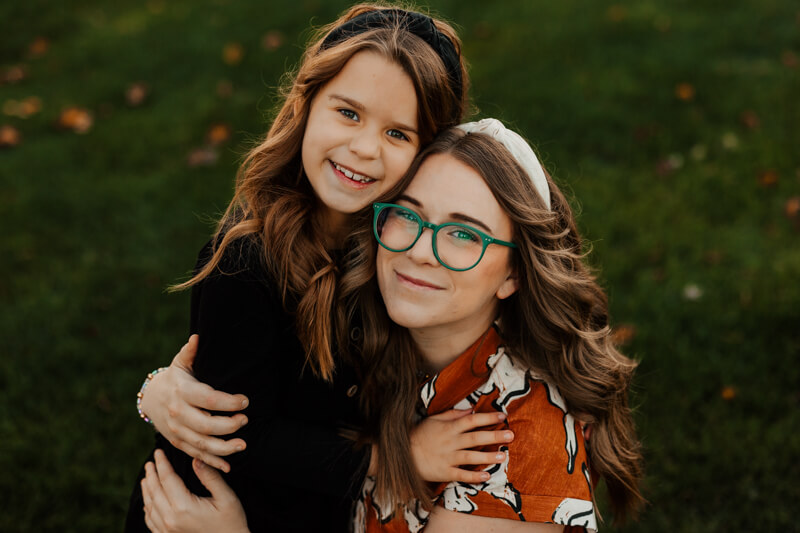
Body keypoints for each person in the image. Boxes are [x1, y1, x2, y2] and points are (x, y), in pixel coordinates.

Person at [140, 120, 645, 532]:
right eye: (408, 216)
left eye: (464, 235)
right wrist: (160, 396)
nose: (420, 252)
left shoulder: (518, 440)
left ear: (513, 273)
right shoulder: (368, 335)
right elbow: (267, 423)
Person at [125, 6, 513, 533]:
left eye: (398, 133)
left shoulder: (398, 245)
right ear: (306, 105)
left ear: (429, 153)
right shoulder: (247, 259)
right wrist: (396, 457)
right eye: (348, 113)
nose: (363, 148)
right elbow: (241, 436)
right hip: (216, 511)